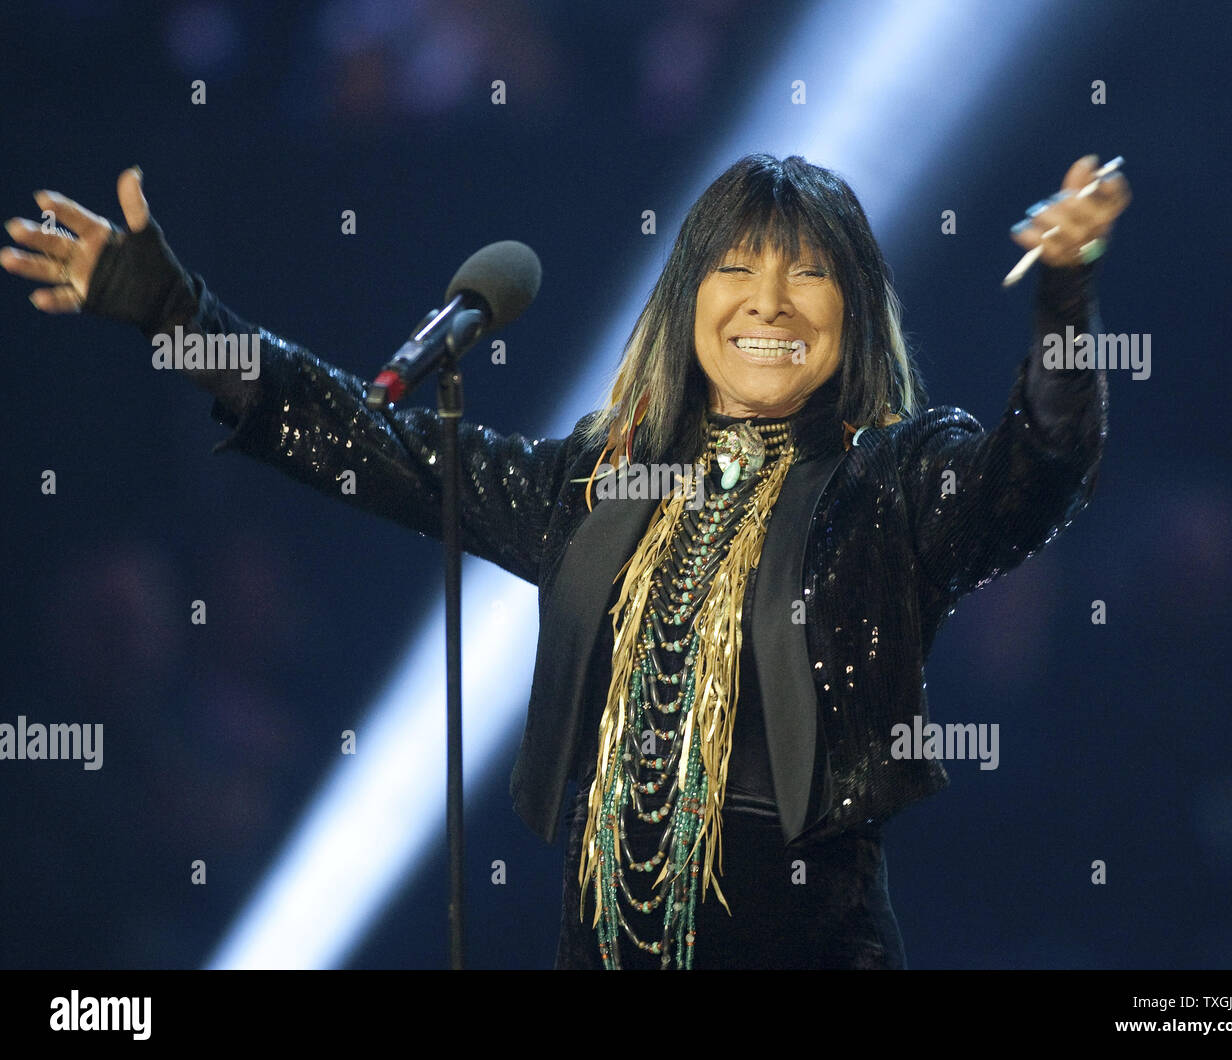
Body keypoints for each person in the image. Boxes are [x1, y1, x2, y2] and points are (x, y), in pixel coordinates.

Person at [2, 152, 1130, 969]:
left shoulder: (892, 483)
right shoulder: (600, 485)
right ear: (689, 295)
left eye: (808, 275)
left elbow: (1037, 468)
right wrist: (173, 313)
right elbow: (368, 443)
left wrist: (1065, 297)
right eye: (738, 268)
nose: (769, 303)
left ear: (854, 308)